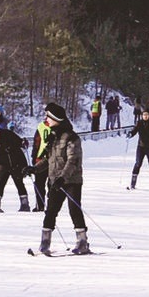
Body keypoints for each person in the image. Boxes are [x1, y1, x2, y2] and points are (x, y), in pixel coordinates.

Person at [32, 103, 90, 255]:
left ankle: (82, 242)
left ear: (56, 119)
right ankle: (45, 242)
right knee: (50, 211)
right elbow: (48, 159)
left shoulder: (71, 137)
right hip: (55, 181)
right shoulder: (53, 136)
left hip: (72, 181)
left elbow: (73, 161)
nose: (46, 120)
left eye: (48, 117)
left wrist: (62, 178)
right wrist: (35, 169)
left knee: (74, 210)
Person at [0, 121, 30, 213]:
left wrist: (23, 142)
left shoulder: (8, 134)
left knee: (19, 183)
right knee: (0, 184)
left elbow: (20, 143)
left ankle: (25, 204)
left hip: (16, 162)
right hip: (2, 164)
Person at [29, 107, 54, 212]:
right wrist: (34, 157)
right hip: (40, 159)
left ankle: (52, 206)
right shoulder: (41, 126)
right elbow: (36, 143)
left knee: (51, 185)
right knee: (39, 184)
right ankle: (40, 205)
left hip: (53, 160)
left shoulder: (59, 128)